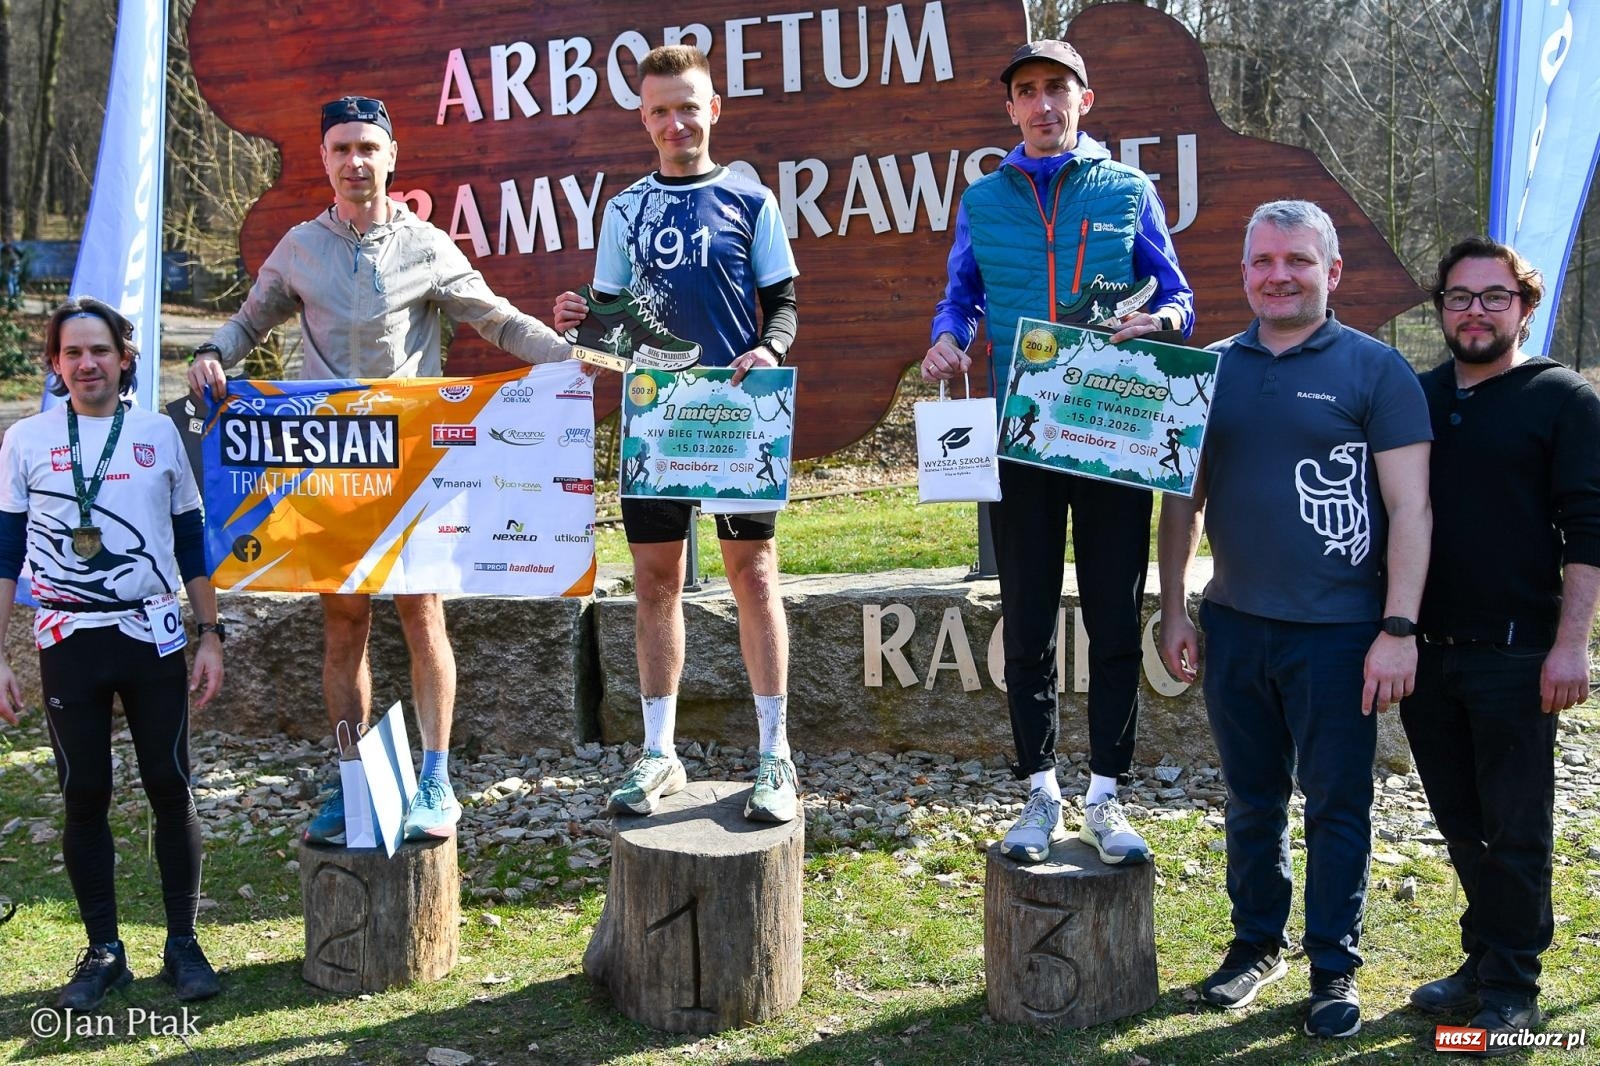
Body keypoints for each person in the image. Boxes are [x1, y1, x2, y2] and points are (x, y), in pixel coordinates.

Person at [187, 95, 572, 845]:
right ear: (324, 160)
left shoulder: (428, 245)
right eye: (341, 149)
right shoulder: (299, 246)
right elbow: (247, 321)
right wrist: (211, 352)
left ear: (392, 156)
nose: (355, 161)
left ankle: (435, 779)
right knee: (344, 623)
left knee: (422, 613)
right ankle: (351, 780)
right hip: (327, 473)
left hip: (413, 468)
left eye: (368, 147)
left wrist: (565, 356)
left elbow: (493, 316)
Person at [1158, 200, 1432, 1039]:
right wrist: (1173, 606)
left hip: (1343, 636)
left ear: (1332, 273)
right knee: (1251, 801)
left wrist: (1397, 627)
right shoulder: (1207, 369)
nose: (1279, 275)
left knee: (1339, 806)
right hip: (1236, 623)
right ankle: (1253, 947)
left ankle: (1333, 967)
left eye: (1298, 261)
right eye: (1263, 261)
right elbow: (1182, 500)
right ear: (1243, 273)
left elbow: (1411, 508)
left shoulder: (1376, 370)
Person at [921, 39, 1194, 867]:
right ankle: (1039, 792)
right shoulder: (983, 198)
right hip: (1021, 438)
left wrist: (1164, 323)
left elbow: (1176, 294)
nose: (1042, 105)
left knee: (1115, 617)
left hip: (1111, 433)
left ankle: (1107, 797)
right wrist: (945, 342)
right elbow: (961, 296)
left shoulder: (1126, 189)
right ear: (1010, 108)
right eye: (1027, 92)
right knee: (1029, 620)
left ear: (1084, 99)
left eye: (1057, 90)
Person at [552, 45, 801, 823]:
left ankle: (775, 756)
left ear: (713, 110)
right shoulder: (624, 210)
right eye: (660, 109)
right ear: (643, 118)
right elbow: (611, 325)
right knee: (656, 584)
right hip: (655, 425)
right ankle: (659, 750)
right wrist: (577, 323)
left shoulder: (751, 200)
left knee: (753, 577)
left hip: (735, 419)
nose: (675, 122)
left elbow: (785, 302)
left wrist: (773, 348)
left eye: (688, 106)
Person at [1399, 237, 1600, 1052]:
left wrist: (1572, 645)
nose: (1474, 311)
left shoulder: (1563, 399)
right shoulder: (1414, 396)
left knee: (1516, 825)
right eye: (1458, 296)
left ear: (1523, 306)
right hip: (1427, 651)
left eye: (1492, 296)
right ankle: (1483, 957)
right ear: (1440, 308)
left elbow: (1590, 529)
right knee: (1460, 821)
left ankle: (1513, 985)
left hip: (1519, 653)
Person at [0, 297, 225, 1009]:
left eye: (99, 350)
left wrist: (210, 634)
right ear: (56, 364)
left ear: (125, 357)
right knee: (84, 792)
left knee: (170, 785)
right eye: (72, 353)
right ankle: (104, 949)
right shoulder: (25, 440)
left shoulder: (157, 433)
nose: (86, 363)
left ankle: (183, 944)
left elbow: (192, 540)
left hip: (150, 633)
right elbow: (6, 551)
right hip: (67, 639)